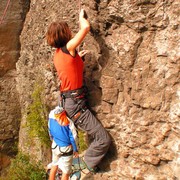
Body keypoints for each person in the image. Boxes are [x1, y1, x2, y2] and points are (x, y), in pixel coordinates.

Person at [46, 9, 111, 173]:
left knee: (90, 135)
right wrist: (81, 17)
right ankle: (79, 169)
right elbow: (86, 28)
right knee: (103, 139)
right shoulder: (68, 48)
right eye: (68, 30)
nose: (70, 32)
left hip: (70, 101)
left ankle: (66, 166)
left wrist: (78, 60)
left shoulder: (58, 54)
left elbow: (68, 70)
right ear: (65, 34)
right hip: (75, 104)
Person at [48, 106, 78, 180]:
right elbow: (73, 138)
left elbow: (50, 131)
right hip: (65, 148)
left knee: (54, 165)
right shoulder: (68, 122)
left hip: (55, 145)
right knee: (66, 172)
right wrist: (75, 149)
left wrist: (53, 139)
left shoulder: (51, 118)